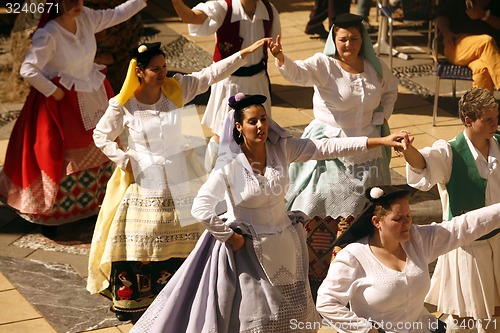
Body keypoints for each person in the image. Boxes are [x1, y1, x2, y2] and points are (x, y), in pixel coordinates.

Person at [128, 93, 407, 333]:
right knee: (255, 315)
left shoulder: (282, 149)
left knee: (287, 311)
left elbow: (326, 147)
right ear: (239, 127)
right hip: (248, 253)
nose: (261, 125)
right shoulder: (230, 166)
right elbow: (201, 206)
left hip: (285, 244)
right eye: (253, 121)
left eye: (263, 118)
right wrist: (230, 237)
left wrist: (380, 141)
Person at [86, 39, 271, 321]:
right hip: (145, 178)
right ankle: (139, 298)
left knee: (190, 232)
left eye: (164, 67)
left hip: (181, 172)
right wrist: (126, 160)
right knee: (145, 236)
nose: (162, 73)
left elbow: (210, 74)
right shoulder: (123, 104)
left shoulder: (176, 89)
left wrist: (242, 55)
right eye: (156, 69)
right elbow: (101, 135)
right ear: (139, 71)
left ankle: (185, 292)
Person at [269, 13, 399, 288]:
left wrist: (382, 116)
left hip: (369, 148)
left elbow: (391, 89)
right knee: (317, 200)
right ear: (334, 40)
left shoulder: (374, 66)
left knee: (366, 207)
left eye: (354, 38)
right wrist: (281, 58)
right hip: (329, 145)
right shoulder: (324, 64)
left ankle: (359, 272)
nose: (349, 44)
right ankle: (314, 274)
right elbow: (298, 73)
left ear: (362, 39)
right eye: (343, 39)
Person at [0, 0, 147, 233]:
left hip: (90, 94)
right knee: (63, 157)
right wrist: (53, 91)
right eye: (70, 1)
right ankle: (55, 215)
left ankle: (89, 206)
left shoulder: (86, 17)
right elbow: (28, 69)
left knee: (100, 148)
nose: (77, 4)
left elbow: (118, 13)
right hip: (62, 104)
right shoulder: (49, 34)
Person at [316, 184, 500, 333]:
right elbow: (326, 302)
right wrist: (367, 330)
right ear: (376, 222)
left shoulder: (417, 240)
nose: (407, 224)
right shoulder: (353, 257)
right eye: (398, 219)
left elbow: (463, 226)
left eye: (408, 216)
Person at [400, 87, 500, 332]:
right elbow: (424, 163)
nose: (495, 125)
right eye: (488, 120)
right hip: (466, 248)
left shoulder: (498, 144)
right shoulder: (449, 151)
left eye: (496, 118)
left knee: (496, 313)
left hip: (498, 242)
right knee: (463, 317)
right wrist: (408, 150)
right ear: (469, 120)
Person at [171, 0, 281, 170]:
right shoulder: (223, 7)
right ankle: (211, 176)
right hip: (229, 82)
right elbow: (190, 17)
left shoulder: (269, 10)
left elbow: (276, 46)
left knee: (258, 133)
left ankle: (254, 175)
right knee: (222, 133)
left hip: (258, 81)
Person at [436, 0, 500, 92]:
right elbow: (441, 17)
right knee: (486, 42)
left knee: (482, 70)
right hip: (456, 45)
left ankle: (483, 106)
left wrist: (484, 16)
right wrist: (447, 33)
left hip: (488, 53)